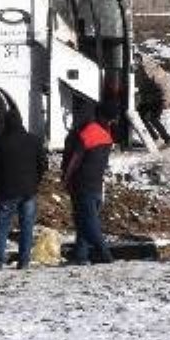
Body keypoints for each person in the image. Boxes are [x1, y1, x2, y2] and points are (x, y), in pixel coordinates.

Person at [0, 108, 48, 270]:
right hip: (29, 191)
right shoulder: (34, 141)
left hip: (6, 191)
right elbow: (43, 165)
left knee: (2, 225)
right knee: (27, 226)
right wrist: (35, 182)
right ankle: (24, 261)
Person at [62, 103, 116, 265]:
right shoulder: (106, 135)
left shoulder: (85, 134)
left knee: (88, 222)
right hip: (97, 183)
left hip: (82, 183)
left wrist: (66, 177)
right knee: (83, 220)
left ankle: (104, 252)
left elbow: (75, 160)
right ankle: (81, 255)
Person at [134, 53, 170, 146]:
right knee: (140, 117)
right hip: (147, 98)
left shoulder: (151, 68)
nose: (135, 61)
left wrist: (165, 98)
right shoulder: (139, 70)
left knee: (153, 118)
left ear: (142, 59)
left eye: (137, 59)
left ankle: (167, 139)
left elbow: (163, 83)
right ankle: (156, 138)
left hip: (157, 97)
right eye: (135, 59)